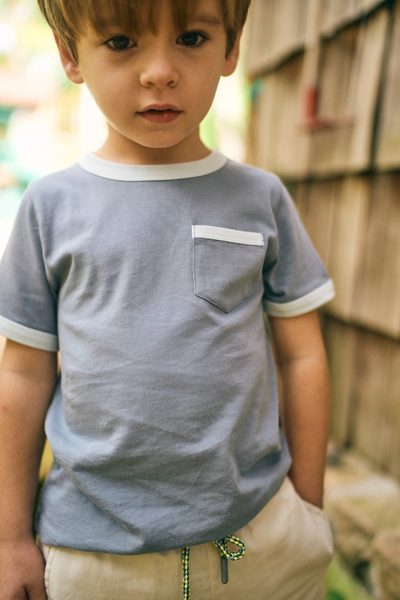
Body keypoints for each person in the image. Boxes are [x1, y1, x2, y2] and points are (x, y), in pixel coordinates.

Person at [0, 0, 335, 598]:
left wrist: (308, 506)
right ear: (71, 54)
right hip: (94, 557)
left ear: (231, 49)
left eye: (190, 37)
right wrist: (7, 540)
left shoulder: (261, 198)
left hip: (259, 535)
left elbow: (302, 353)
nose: (159, 71)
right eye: (123, 42)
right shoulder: (50, 208)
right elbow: (22, 379)